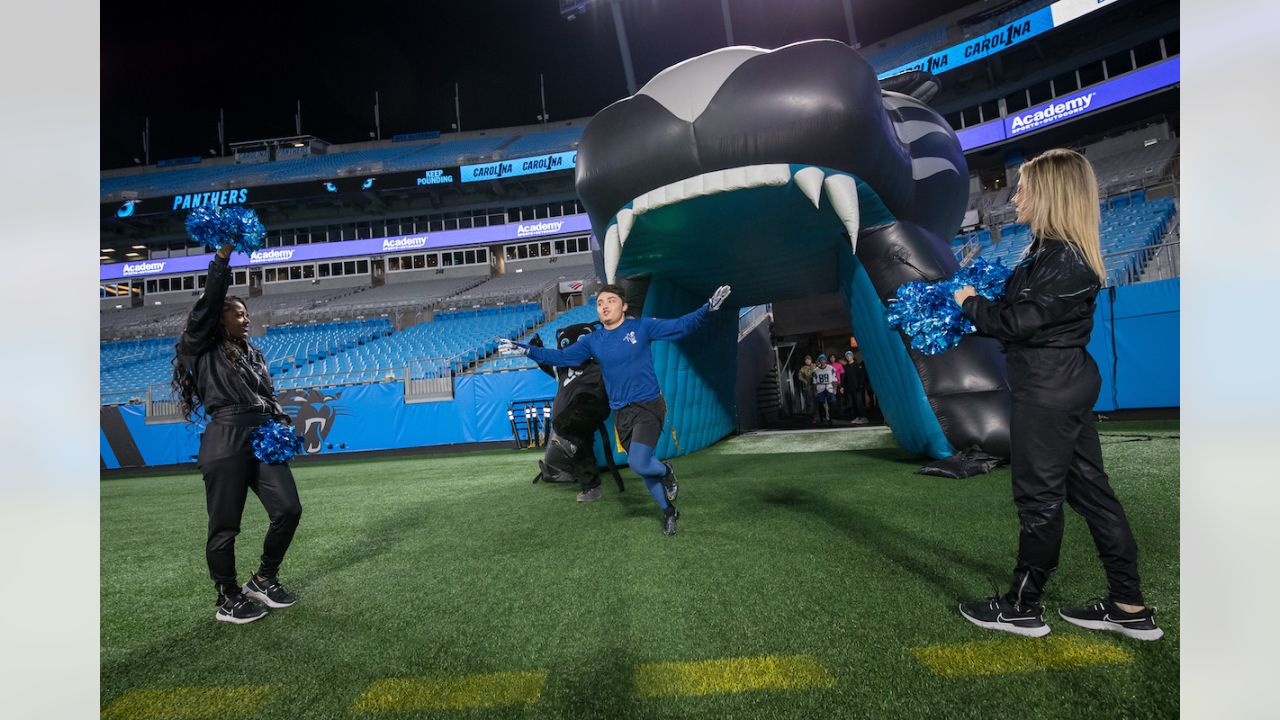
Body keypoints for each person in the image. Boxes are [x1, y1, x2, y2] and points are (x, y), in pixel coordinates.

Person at [953, 148, 1161, 640]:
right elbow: (1020, 317)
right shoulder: (1050, 252)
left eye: (1023, 187)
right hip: (1057, 385)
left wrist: (968, 304)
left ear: (1049, 194)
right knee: (1092, 496)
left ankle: (1022, 608)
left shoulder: (1065, 258)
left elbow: (1016, 322)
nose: (1014, 195)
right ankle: (1129, 608)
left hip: (1048, 392)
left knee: (1039, 501)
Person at [501, 283, 732, 536]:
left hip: (648, 405)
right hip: (622, 413)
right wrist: (526, 350)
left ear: (623, 305)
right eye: (600, 303)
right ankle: (669, 511)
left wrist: (707, 308)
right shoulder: (593, 340)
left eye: (610, 301)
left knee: (638, 462)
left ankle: (665, 470)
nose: (604, 306)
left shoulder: (641, 327)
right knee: (644, 469)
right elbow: (561, 358)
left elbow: (680, 326)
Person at [172, 243, 303, 625]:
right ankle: (227, 596)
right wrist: (221, 261)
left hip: (261, 434)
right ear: (218, 320)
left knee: (289, 509)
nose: (246, 320)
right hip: (226, 435)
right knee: (225, 525)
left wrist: (278, 419)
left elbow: (266, 394)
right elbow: (208, 304)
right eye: (238, 315)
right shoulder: (200, 346)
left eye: (247, 314)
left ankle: (263, 579)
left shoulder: (252, 354)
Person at [810, 354, 840, 426]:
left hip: (829, 386)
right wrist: (815, 391)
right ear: (819, 360)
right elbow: (814, 382)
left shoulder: (831, 368)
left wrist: (835, 389)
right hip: (820, 387)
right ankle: (822, 418)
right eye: (821, 359)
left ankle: (831, 418)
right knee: (820, 404)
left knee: (832, 403)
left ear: (826, 360)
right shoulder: (815, 371)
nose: (822, 361)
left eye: (824, 359)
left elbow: (834, 379)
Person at [841, 350, 869, 424]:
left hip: (857, 388)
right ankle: (857, 417)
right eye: (847, 356)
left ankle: (863, 417)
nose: (848, 357)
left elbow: (861, 376)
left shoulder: (857, 365)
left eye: (849, 355)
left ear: (852, 356)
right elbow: (845, 378)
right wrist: (843, 386)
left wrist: (860, 385)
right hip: (850, 388)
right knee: (853, 404)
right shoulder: (846, 367)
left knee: (859, 403)